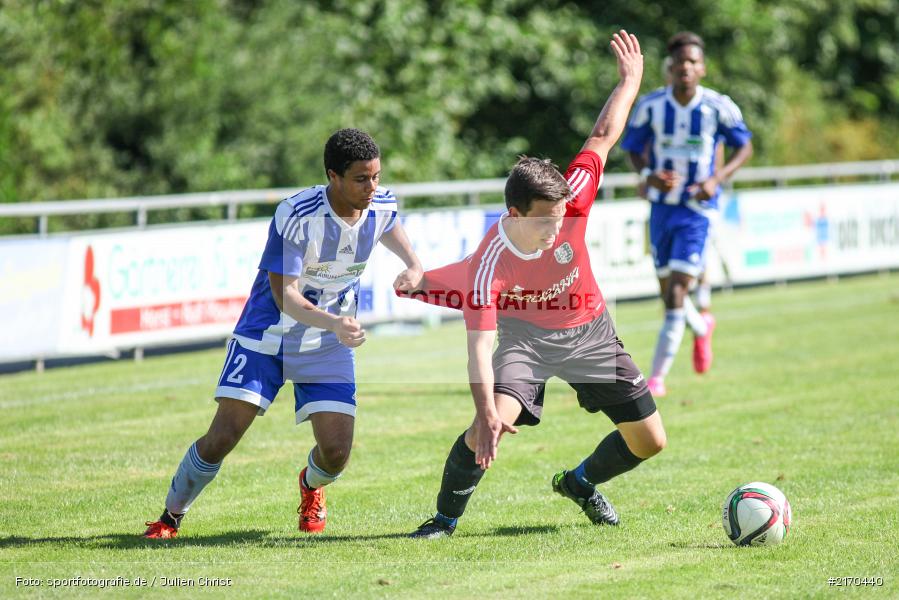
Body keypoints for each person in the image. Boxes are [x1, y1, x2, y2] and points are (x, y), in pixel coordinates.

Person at [401, 30, 665, 539]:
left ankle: (580, 483)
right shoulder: (489, 265)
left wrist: (630, 80)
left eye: (561, 218)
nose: (556, 228)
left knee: (650, 441)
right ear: (515, 213)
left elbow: (602, 135)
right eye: (546, 221)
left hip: (591, 331)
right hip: (527, 341)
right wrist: (486, 414)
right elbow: (479, 349)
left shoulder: (571, 199)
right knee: (487, 426)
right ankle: (443, 521)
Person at [143, 128, 423, 538]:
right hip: (267, 337)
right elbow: (285, 296)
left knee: (336, 454)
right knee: (223, 437)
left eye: (377, 176)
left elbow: (390, 225)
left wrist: (413, 265)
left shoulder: (380, 203)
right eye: (361, 179)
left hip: (326, 344)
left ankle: (310, 486)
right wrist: (335, 323)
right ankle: (170, 517)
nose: (372, 187)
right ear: (333, 176)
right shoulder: (297, 214)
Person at [621, 31, 753, 397]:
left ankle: (655, 379)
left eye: (693, 62)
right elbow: (632, 148)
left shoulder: (718, 106)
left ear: (702, 68)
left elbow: (744, 146)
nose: (686, 67)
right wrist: (649, 175)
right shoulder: (651, 106)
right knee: (669, 293)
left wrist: (716, 179)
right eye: (680, 62)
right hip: (662, 208)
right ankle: (702, 326)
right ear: (670, 68)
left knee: (679, 289)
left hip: (697, 209)